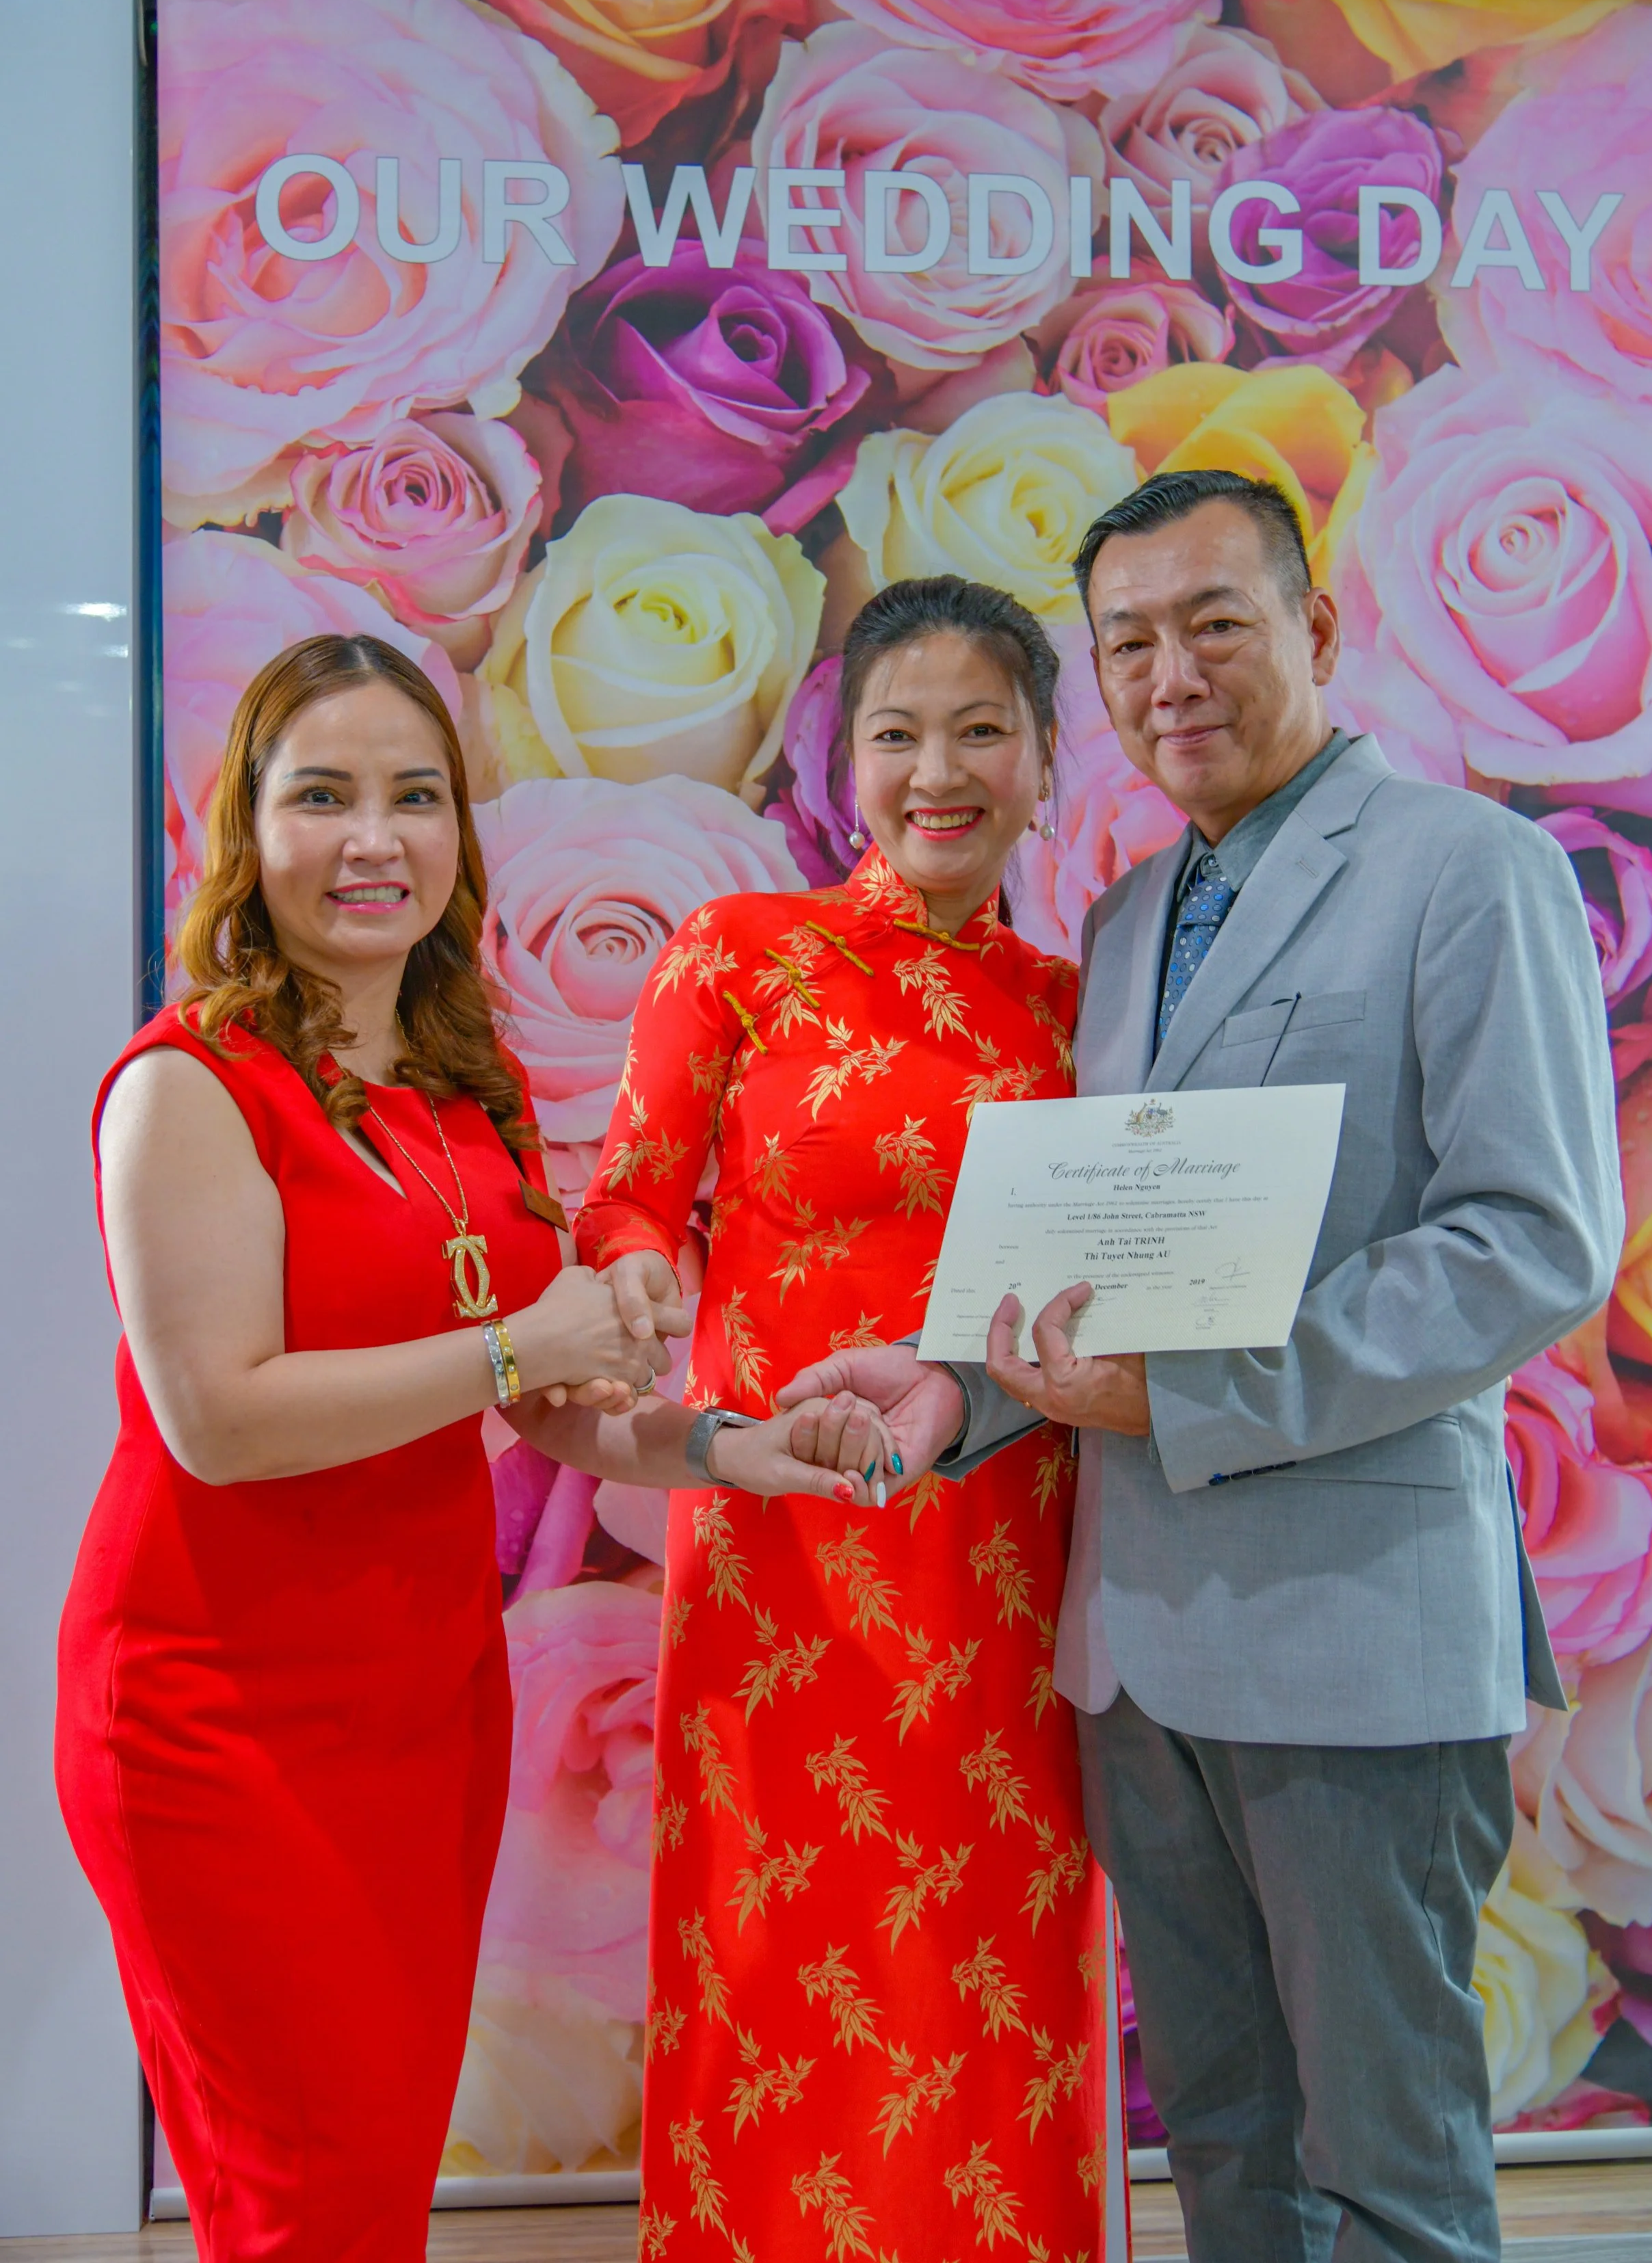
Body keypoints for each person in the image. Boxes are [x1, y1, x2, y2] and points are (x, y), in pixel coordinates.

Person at [780, 473, 1624, 2263]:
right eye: (1130, 641)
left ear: (1314, 631)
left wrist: (1195, 1396)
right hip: (1140, 1646)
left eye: (1215, 621)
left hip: (1357, 1642)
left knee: (1389, 2164)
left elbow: (1530, 1238)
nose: (1172, 671)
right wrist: (958, 1384)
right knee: (1227, 2146)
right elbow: (1101, 1261)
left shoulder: (1466, 869)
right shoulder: (1134, 913)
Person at [55, 633, 885, 2263]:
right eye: (324, 796)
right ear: (248, 830)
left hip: (425, 1710)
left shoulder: (460, 1092)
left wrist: (740, 1450)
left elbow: (547, 1408)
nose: (375, 839)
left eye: (414, 796)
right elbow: (218, 1418)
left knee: (361, 2182)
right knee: (303, 2195)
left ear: (459, 835)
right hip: (218, 1718)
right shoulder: (191, 1085)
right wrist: (524, 1341)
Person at [573, 577, 1115, 2259]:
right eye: (898, 732)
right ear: (840, 758)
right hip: (777, 1563)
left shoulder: (1074, 1002)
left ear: (1040, 764)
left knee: (987, 1972)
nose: (935, 770)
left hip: (1004, 1562)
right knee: (772, 1964)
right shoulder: (736, 955)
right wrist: (638, 1291)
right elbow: (626, 1199)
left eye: (980, 732)